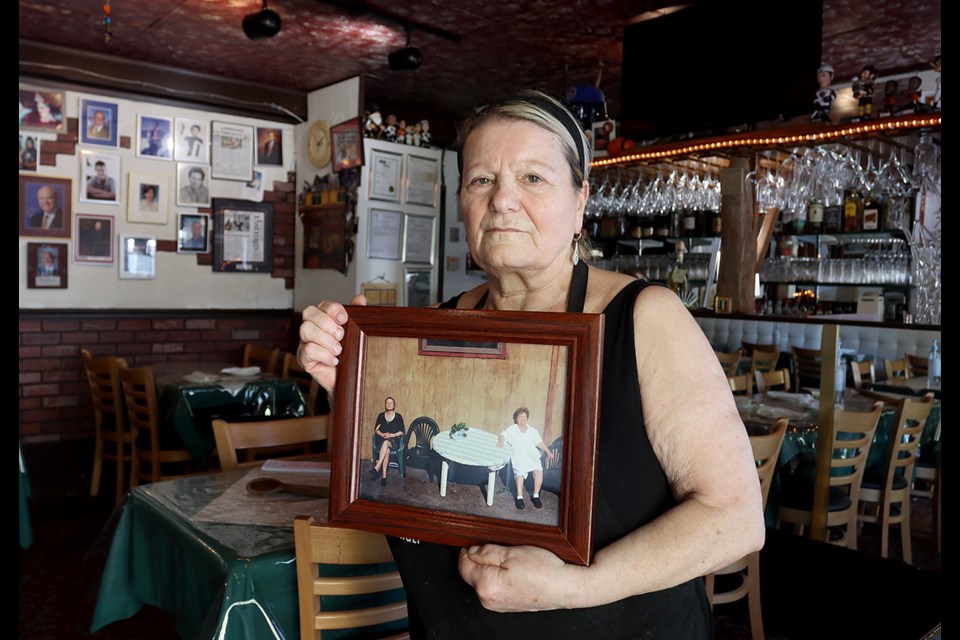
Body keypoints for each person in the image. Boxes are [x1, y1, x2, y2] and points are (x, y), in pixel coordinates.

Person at [296, 90, 763, 639]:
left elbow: (735, 521)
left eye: (533, 178)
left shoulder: (644, 319)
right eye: (481, 180)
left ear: (580, 201)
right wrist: (345, 388)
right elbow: (384, 489)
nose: (502, 201)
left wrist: (573, 587)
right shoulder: (437, 326)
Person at [497, 407, 553, 509]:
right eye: (520, 417)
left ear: (527, 418)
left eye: (524, 417)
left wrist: (548, 451)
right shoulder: (512, 429)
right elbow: (503, 435)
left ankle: (536, 496)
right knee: (520, 473)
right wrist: (501, 441)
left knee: (538, 470)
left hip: (531, 455)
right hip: (519, 455)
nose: (522, 419)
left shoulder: (532, 431)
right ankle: (519, 498)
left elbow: (539, 442)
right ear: (516, 418)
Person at [369, 396, 405, 486]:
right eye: (387, 403)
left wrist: (391, 435)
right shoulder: (381, 416)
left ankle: (378, 466)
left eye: (391, 403)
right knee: (387, 450)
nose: (389, 404)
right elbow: (376, 429)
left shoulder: (398, 417)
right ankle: (384, 476)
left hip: (394, 441)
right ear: (385, 405)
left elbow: (402, 432)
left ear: (394, 405)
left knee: (386, 443)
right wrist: (382, 434)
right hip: (382, 440)